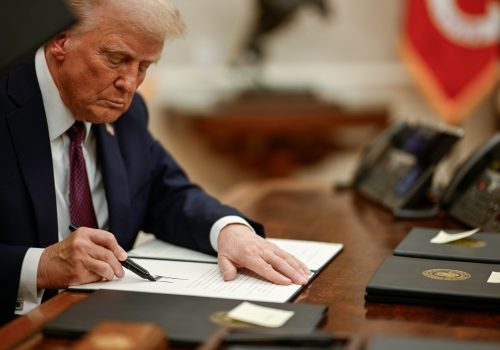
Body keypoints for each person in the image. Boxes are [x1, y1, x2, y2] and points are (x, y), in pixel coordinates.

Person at [0, 0, 310, 324]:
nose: (130, 84)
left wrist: (229, 231)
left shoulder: (126, 115)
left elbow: (168, 194)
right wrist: (41, 265)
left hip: (109, 322)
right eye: (116, 59)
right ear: (60, 41)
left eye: (144, 66)